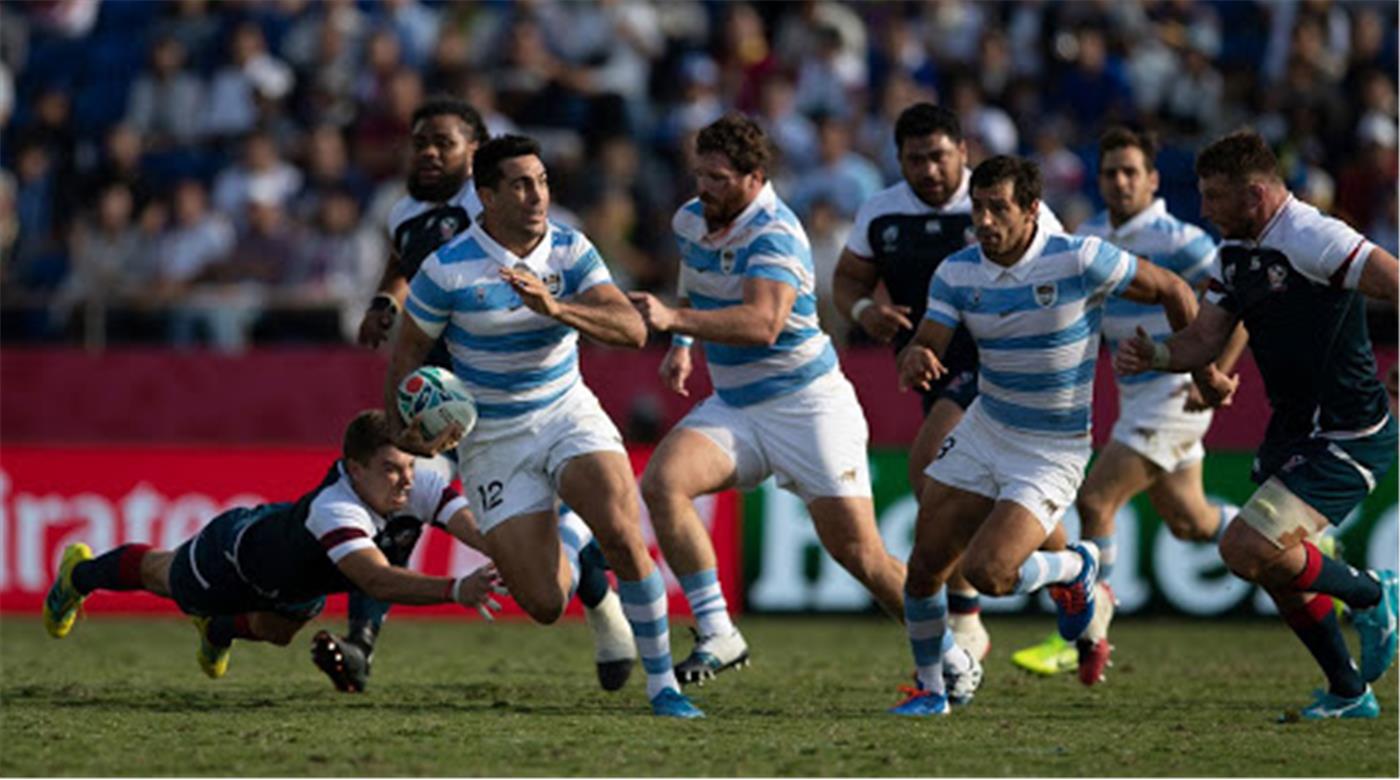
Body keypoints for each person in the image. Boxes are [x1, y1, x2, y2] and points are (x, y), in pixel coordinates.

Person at [387, 134, 702, 719]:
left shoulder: (570, 250)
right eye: (521, 184)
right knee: (544, 601)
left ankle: (665, 689)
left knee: (623, 530)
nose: (537, 196)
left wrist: (556, 309)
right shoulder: (446, 269)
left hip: (565, 411)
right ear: (486, 196)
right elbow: (407, 353)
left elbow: (632, 330)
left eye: (543, 181)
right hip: (491, 440)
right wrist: (403, 430)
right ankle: (570, 532)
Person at [328, 98, 630, 696]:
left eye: (444, 142)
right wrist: (387, 298)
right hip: (434, 398)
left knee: (526, 551)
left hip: (503, 403)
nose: (429, 153)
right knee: (394, 497)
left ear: (477, 155)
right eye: (420, 142)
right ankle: (360, 643)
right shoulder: (406, 211)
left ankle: (601, 602)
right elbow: (404, 258)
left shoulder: (498, 208)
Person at [889, 156, 1206, 717]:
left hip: (1051, 449)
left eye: (998, 209)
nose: (984, 222)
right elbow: (931, 338)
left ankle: (1077, 568)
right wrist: (918, 355)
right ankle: (934, 691)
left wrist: (1202, 372)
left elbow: (1176, 290)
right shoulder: (958, 271)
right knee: (921, 570)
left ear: (1032, 210)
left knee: (990, 573)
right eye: (977, 209)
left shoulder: (1080, 258)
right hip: (987, 428)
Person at [1116, 130, 1399, 720]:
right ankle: (1349, 691)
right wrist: (1159, 355)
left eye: (1216, 197)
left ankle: (1375, 595)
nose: (1206, 209)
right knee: (1276, 571)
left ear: (1256, 194)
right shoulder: (1235, 254)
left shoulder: (1314, 237)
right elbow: (1204, 339)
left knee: (1244, 547)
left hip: (1349, 431)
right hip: (1294, 429)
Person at [627, 114, 910, 689]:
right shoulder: (693, 218)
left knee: (862, 556)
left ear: (755, 178)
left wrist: (675, 320)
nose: (704, 187)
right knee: (662, 482)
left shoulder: (776, 231)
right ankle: (718, 631)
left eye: (718, 178)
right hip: (736, 406)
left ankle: (951, 651)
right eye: (699, 174)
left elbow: (762, 323)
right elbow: (695, 283)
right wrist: (683, 343)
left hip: (807, 406)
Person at [1011, 127, 1249, 684]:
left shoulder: (1183, 241)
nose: (1119, 182)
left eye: (1130, 172)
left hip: (1176, 390)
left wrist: (1215, 374)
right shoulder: (1090, 237)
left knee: (1095, 501)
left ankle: (1086, 630)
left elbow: (1240, 306)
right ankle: (1308, 550)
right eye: (1110, 172)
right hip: (1133, 393)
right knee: (1190, 521)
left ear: (1152, 180)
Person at [832, 103, 1067, 666]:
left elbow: (1059, 269)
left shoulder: (998, 204)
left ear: (964, 151)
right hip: (932, 372)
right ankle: (1079, 574)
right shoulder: (881, 213)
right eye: (916, 160)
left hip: (1001, 366)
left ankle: (965, 620)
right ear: (899, 162)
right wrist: (866, 310)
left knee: (929, 469)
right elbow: (847, 279)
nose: (929, 170)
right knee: (979, 493)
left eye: (939, 156)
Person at [42, 410, 505, 681]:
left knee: (278, 634)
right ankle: (77, 575)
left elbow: (470, 525)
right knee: (160, 576)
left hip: (295, 583)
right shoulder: (335, 509)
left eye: (408, 465)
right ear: (355, 469)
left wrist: (516, 552)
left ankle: (216, 631)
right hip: (233, 558)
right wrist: (456, 590)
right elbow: (375, 579)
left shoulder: (413, 482)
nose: (406, 479)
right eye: (390, 468)